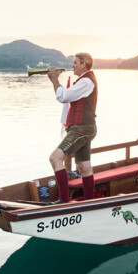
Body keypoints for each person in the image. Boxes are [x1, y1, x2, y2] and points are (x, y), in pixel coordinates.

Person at [47, 53, 97, 203]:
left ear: (84, 64)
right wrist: (55, 81)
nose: (72, 65)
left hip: (81, 129)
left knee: (55, 158)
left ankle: (63, 201)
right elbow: (66, 95)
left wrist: (55, 79)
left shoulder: (86, 82)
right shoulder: (83, 81)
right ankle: (89, 202)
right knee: (84, 166)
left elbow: (63, 97)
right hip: (85, 128)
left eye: (75, 63)